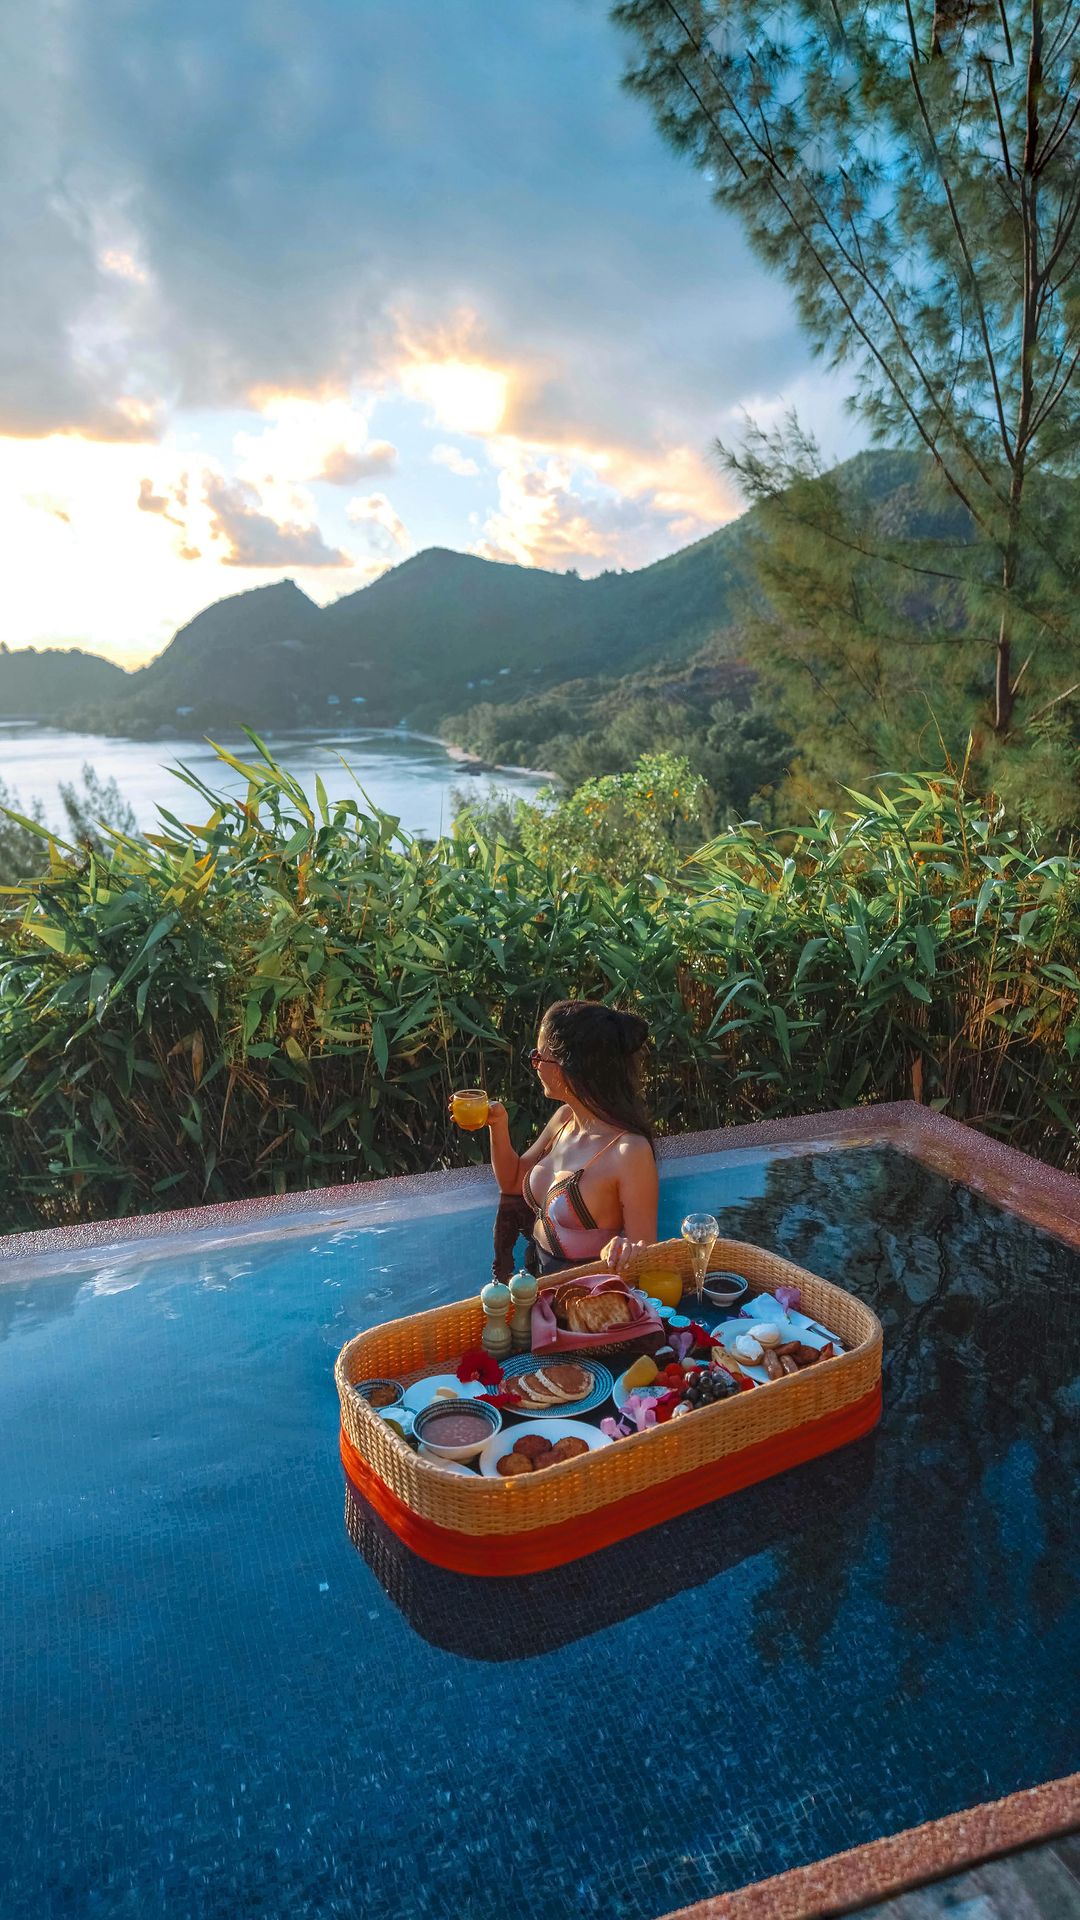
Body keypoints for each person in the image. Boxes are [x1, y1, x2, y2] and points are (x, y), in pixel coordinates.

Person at [482, 999, 658, 1276]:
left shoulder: (628, 1151)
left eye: (540, 1057)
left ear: (573, 1067)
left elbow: (644, 1255)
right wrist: (498, 1124)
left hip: (583, 1298)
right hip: (533, 1280)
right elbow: (513, 1182)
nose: (535, 1065)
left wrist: (626, 1249)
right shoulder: (564, 1120)